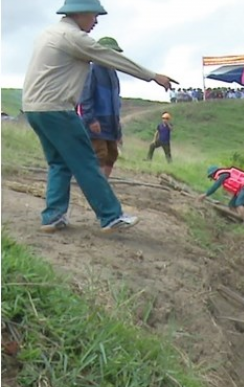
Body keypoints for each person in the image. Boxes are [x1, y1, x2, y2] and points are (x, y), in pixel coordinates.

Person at [22, 0, 176, 234]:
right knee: (86, 162)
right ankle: (110, 216)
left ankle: (53, 216)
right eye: (94, 16)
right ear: (81, 14)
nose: (95, 22)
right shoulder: (74, 37)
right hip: (57, 109)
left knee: (59, 162)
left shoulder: (48, 33)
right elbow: (111, 57)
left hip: (34, 108)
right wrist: (153, 76)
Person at [77, 36, 124, 179]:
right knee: (100, 154)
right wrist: (91, 120)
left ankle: (104, 182)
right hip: (96, 124)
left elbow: (116, 102)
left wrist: (118, 131)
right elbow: (85, 98)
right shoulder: (92, 71)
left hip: (111, 125)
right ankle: (96, 185)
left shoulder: (113, 74)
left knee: (112, 154)